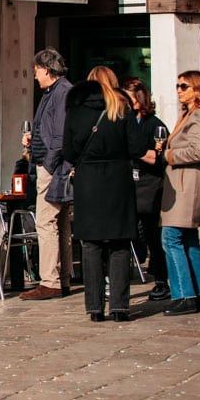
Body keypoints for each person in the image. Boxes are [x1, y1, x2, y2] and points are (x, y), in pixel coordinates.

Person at [63, 67, 147, 322]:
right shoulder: (121, 109)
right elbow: (137, 147)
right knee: (119, 243)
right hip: (118, 181)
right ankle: (120, 306)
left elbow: (68, 151)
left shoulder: (76, 111)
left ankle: (95, 307)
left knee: (91, 245)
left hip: (88, 182)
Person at [158, 71, 200, 316]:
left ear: (197, 89)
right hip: (185, 184)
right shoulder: (189, 115)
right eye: (177, 86)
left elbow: (197, 151)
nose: (179, 90)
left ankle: (184, 295)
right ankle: (196, 292)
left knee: (170, 238)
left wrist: (169, 155)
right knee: (188, 239)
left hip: (187, 185)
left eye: (184, 86)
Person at [20, 47, 75, 301]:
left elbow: (61, 135)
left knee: (46, 222)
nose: (34, 76)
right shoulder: (55, 92)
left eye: (36, 71)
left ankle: (50, 281)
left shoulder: (61, 92)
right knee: (60, 222)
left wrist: (49, 163)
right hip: (52, 164)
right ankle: (61, 278)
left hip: (53, 167)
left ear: (46, 69)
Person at [122, 77, 170, 301]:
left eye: (129, 98)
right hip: (129, 183)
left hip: (150, 185)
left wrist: (140, 153)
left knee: (153, 234)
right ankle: (140, 260)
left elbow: (160, 158)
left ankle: (161, 279)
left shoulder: (154, 124)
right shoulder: (125, 121)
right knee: (131, 231)